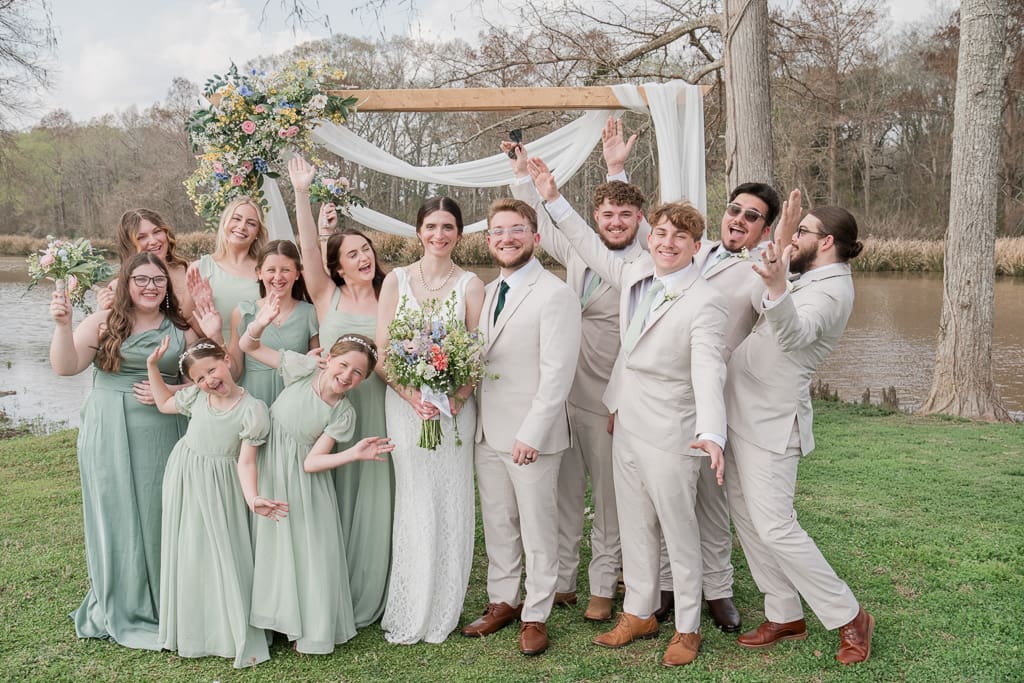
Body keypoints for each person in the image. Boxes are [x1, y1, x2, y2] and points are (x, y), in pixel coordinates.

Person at [529, 157, 728, 668]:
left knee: (676, 530)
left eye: (678, 238)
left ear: (693, 247)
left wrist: (711, 431)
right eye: (661, 233)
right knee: (635, 523)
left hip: (673, 430)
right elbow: (584, 239)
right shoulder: (634, 270)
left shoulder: (705, 302)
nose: (666, 243)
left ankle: (686, 626)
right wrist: (551, 197)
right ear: (650, 233)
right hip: (627, 423)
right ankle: (638, 611)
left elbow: (709, 370)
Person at [503, 121, 645, 623]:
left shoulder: (646, 264)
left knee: (607, 500)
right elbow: (538, 221)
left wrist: (616, 167)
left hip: (608, 400)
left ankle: (603, 585)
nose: (615, 222)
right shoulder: (580, 256)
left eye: (625, 215)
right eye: (607, 214)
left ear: (638, 220)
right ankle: (562, 578)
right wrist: (522, 176)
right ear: (595, 218)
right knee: (564, 493)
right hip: (562, 396)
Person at [725, 202, 875, 664]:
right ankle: (784, 611)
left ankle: (849, 615)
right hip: (737, 410)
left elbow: (793, 335)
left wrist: (776, 280)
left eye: (803, 231)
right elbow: (764, 302)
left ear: (827, 242)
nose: (795, 238)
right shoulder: (806, 273)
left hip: (772, 422)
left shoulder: (833, 293)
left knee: (776, 526)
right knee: (748, 521)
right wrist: (778, 261)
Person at [48, 252, 215, 649]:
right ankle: (124, 600)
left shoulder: (180, 328)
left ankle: (167, 601)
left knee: (163, 513)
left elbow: (215, 375)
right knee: (118, 514)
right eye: (141, 279)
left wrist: (181, 386)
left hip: (166, 430)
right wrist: (62, 325)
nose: (151, 287)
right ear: (126, 283)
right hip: (110, 428)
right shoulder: (105, 322)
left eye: (158, 280)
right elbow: (66, 366)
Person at [460, 197, 581, 657]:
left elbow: (557, 374)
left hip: (532, 436)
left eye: (516, 230)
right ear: (489, 239)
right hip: (487, 431)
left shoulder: (555, 294)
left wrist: (531, 433)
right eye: (498, 231)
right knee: (499, 523)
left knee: (537, 526)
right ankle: (503, 600)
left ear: (535, 237)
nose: (506, 238)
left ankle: (536, 613)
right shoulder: (490, 291)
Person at [242, 303, 394, 654]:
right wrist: (259, 324)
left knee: (305, 551)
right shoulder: (303, 368)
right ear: (328, 359)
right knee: (274, 546)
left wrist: (354, 453)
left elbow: (312, 462)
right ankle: (276, 619)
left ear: (364, 379)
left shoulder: (343, 413)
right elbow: (250, 348)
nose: (347, 376)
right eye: (343, 365)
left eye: (357, 373)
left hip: (302, 482)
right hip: (269, 466)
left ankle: (305, 624)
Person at [375, 196, 485, 644]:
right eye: (431, 226)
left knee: (451, 499)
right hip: (405, 408)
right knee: (415, 500)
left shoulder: (472, 285)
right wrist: (413, 394)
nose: (439, 235)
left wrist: (455, 398)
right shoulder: (396, 281)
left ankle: (444, 606)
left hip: (454, 412)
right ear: (418, 231)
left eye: (448, 227)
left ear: (459, 233)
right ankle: (409, 601)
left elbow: (476, 356)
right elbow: (382, 351)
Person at [288, 156, 393, 627]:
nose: (363, 256)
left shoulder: (394, 292)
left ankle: (371, 587)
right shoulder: (325, 295)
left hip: (381, 407)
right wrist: (303, 193)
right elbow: (308, 249)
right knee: (330, 493)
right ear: (337, 265)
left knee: (375, 495)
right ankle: (328, 591)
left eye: (366, 248)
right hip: (331, 414)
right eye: (351, 253)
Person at [147, 336, 285, 668]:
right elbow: (165, 403)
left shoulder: (253, 410)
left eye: (212, 370)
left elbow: (247, 461)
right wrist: (152, 367)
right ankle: (195, 628)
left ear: (226, 359)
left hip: (222, 484)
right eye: (199, 378)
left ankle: (229, 628)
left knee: (224, 551)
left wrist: (251, 497)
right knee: (191, 549)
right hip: (186, 474)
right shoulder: (196, 397)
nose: (209, 380)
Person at [229, 240, 319, 406]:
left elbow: (317, 367)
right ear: (259, 273)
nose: (278, 277)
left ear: (297, 274)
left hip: (294, 401)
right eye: (271, 270)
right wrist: (213, 334)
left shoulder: (310, 313)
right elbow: (234, 373)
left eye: (285, 270)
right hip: (254, 401)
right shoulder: (243, 313)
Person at [188, 196, 266, 343]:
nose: (242, 226)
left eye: (251, 223)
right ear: (225, 222)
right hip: (218, 357)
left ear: (258, 233)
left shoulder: (265, 270)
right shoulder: (200, 268)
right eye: (236, 219)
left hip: (258, 357)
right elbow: (187, 321)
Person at [98, 208, 195, 322]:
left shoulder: (193, 270)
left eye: (157, 231)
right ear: (130, 245)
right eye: (141, 237)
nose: (153, 241)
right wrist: (107, 310)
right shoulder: (118, 287)